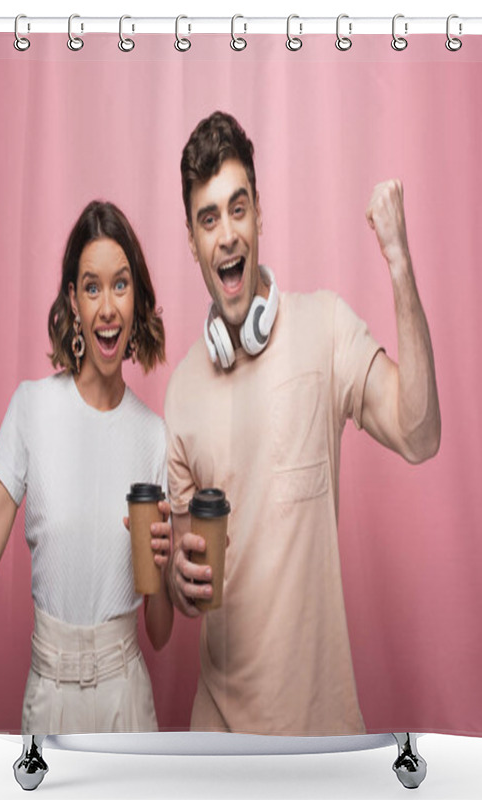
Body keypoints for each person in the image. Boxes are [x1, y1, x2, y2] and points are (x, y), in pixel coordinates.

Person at [164, 111, 441, 735]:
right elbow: (186, 586)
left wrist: (399, 262)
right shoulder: (181, 390)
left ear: (259, 213)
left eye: (238, 209)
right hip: (216, 739)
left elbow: (421, 435)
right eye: (209, 219)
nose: (227, 234)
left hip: (320, 732)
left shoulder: (326, 328)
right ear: (192, 239)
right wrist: (178, 582)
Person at [0, 200, 174, 735]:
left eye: (120, 284)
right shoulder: (32, 408)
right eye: (92, 287)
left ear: (136, 298)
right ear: (73, 299)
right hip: (50, 697)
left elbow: (159, 633)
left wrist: (161, 561)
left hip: (125, 700)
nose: (107, 306)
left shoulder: (153, 435)